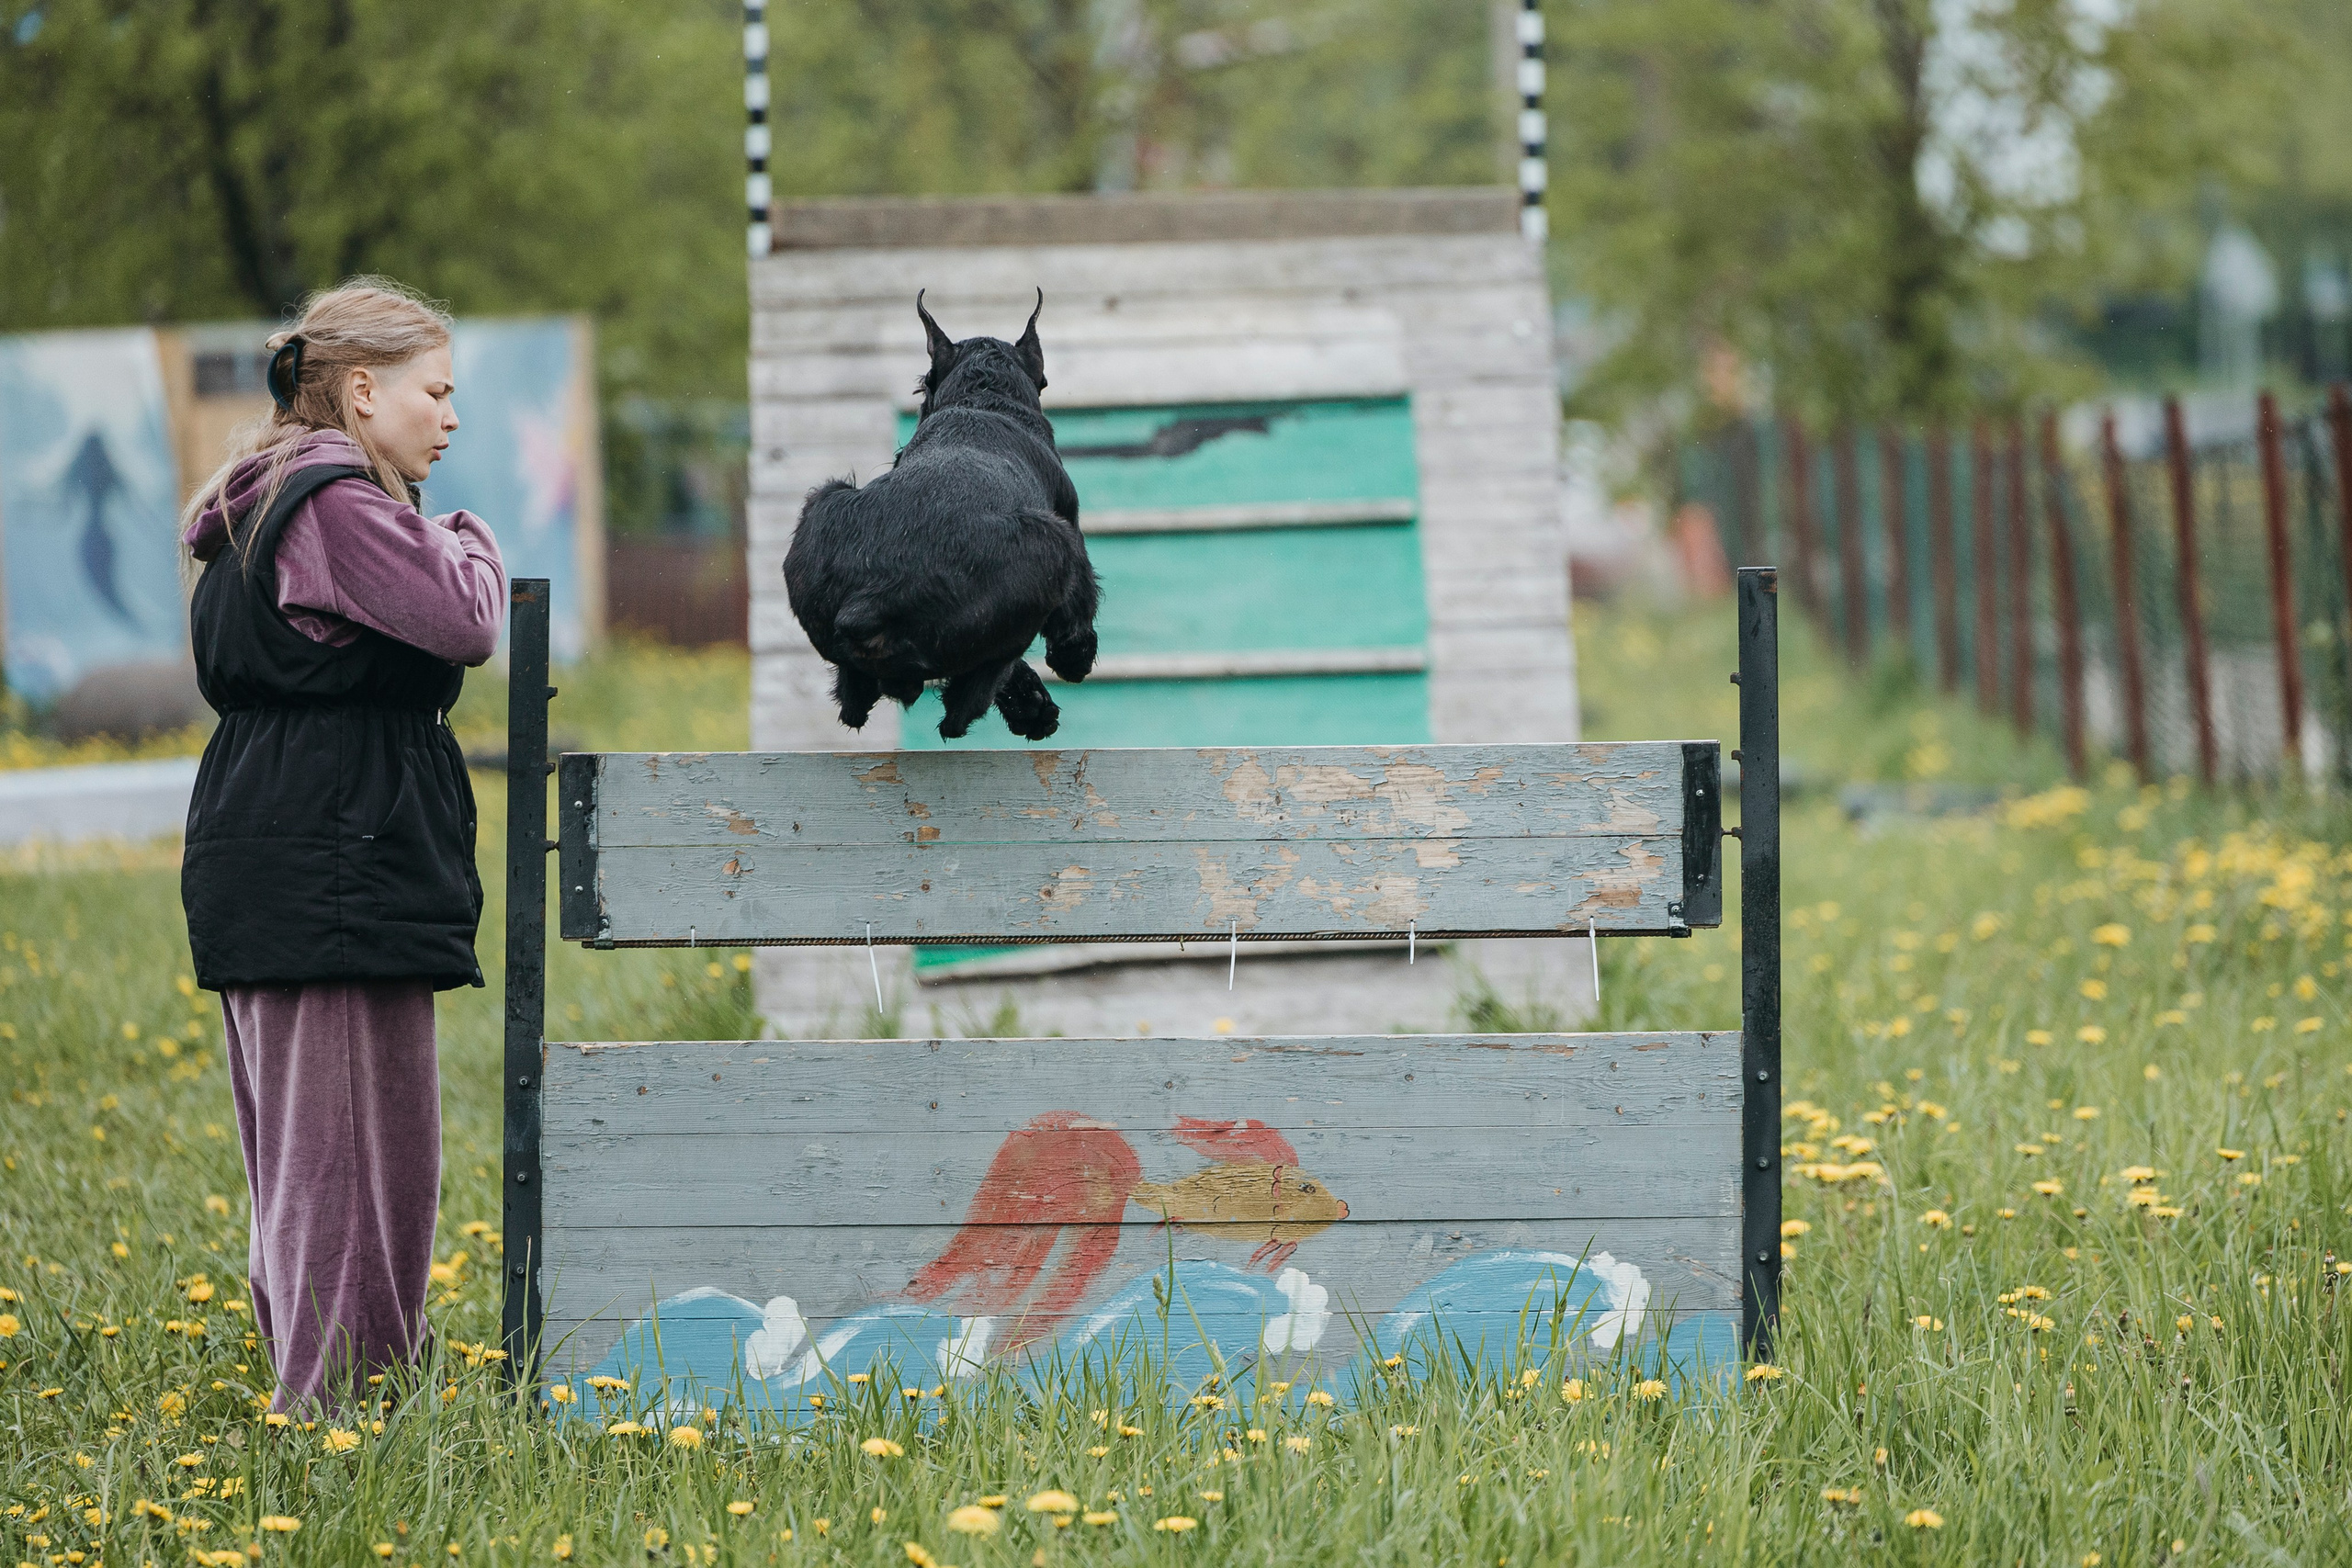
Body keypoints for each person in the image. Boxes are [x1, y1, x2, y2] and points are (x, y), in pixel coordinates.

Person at [177, 277, 504, 1411]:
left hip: (284, 848)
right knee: (354, 1159)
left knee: (314, 1158)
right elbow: (465, 616)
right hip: (334, 856)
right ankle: (338, 1417)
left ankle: (336, 1394)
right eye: (436, 390)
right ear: (362, 392)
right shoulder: (339, 507)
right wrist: (468, 535)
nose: (450, 417)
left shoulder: (269, 496)